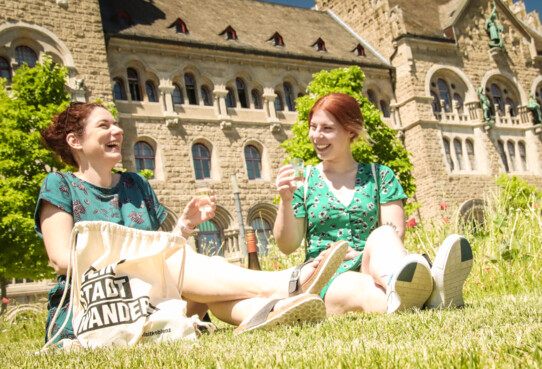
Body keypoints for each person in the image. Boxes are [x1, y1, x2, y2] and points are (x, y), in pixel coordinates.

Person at [35, 102, 348, 343]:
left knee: (189, 270)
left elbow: (163, 255)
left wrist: (183, 227)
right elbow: (60, 259)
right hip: (94, 307)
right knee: (182, 267)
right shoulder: (60, 185)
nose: (117, 130)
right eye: (104, 125)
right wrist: (142, 261)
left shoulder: (134, 184)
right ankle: (282, 285)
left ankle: (267, 310)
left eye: (116, 123)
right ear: (75, 140)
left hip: (151, 298)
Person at [273, 93, 473, 315]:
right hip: (327, 274)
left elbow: (394, 236)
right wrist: (286, 199)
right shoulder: (305, 180)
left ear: (351, 131)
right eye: (313, 127)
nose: (316, 136)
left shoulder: (380, 176)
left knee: (385, 233)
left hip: (373, 266)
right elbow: (287, 245)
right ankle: (432, 292)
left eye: (327, 128)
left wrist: (361, 252)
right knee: (362, 289)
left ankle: (404, 287)